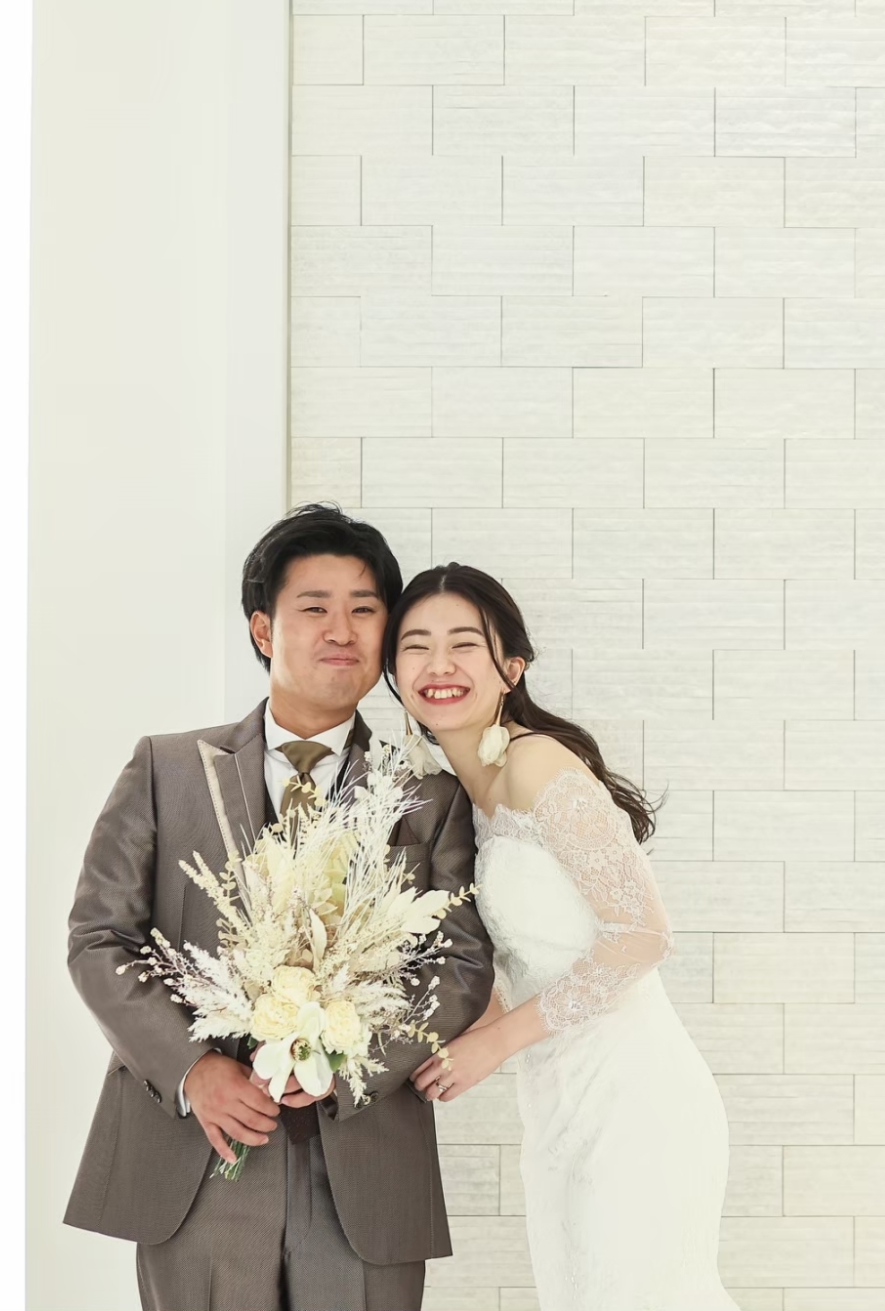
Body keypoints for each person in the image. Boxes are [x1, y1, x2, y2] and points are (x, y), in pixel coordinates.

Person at [64, 506, 493, 1311]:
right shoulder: (165, 768)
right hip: (200, 1154)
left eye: (364, 608)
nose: (342, 629)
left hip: (364, 1158)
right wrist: (193, 1070)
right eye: (315, 606)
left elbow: (461, 964)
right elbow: (99, 938)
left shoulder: (431, 795)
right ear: (264, 628)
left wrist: (347, 1063)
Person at [388, 563, 737, 1311]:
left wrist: (496, 1042)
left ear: (511, 668)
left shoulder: (537, 761)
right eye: (416, 646)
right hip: (555, 1104)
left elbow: (643, 934)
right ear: (393, 671)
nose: (439, 665)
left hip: (635, 1094)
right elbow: (501, 961)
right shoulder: (453, 800)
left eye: (464, 644)